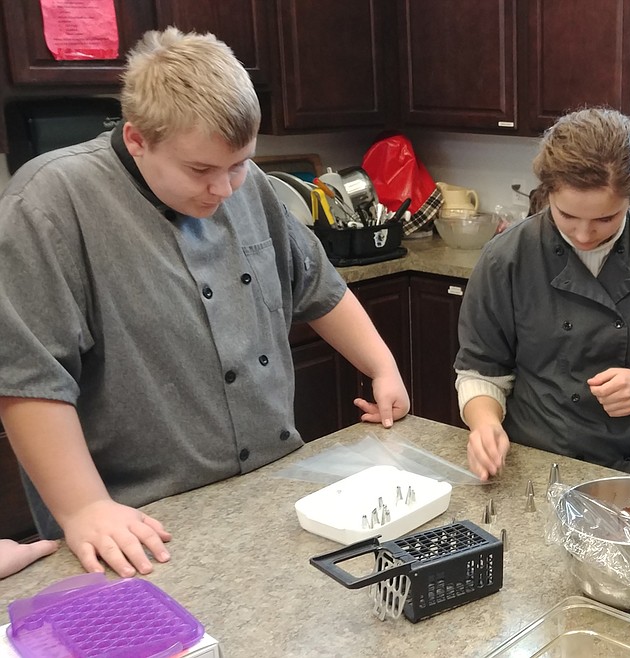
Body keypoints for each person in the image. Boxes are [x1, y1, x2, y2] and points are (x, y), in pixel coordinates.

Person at [0, 28, 409, 579]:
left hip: (273, 486)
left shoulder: (250, 187)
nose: (225, 189)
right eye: (200, 171)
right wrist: (83, 508)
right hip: (140, 522)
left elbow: (317, 285)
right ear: (138, 138)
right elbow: (29, 380)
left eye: (239, 163)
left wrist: (380, 366)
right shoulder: (49, 204)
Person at [454, 108, 630, 482]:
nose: (584, 235)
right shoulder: (507, 259)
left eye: (605, 219)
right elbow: (481, 371)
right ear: (547, 192)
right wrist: (484, 424)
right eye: (566, 216)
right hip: (539, 458)